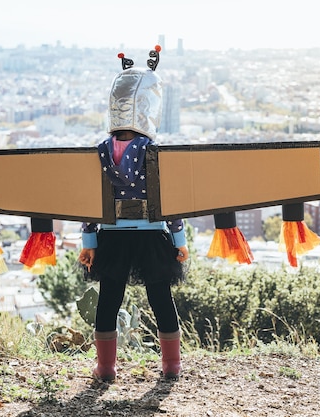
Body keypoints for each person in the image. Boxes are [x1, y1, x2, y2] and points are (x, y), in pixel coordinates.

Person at [78, 46, 189, 381]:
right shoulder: (155, 153)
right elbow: (172, 203)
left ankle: (106, 369)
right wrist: (179, 239)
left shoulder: (98, 153)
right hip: (153, 236)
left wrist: (89, 242)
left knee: (108, 299)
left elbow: (89, 204)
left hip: (111, 237)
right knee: (161, 297)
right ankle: (171, 366)